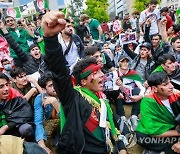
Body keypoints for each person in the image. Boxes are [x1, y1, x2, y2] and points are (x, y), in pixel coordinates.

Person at [42, 11, 127, 154]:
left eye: (101, 72)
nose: (102, 76)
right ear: (83, 81)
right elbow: (59, 72)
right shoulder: (73, 98)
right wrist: (50, 38)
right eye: (95, 73)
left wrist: (122, 148)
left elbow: (112, 131)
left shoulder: (102, 101)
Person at [135, 72, 180, 154]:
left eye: (170, 82)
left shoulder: (177, 94)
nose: (171, 86)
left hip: (173, 128)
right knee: (140, 138)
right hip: (160, 132)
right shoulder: (147, 101)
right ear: (154, 89)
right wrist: (178, 133)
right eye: (165, 84)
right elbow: (152, 132)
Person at [0, 72, 34, 141]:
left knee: (26, 129)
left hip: (15, 128)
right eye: (1, 87)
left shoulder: (13, 94)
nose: (6, 89)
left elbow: (26, 113)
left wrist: (6, 127)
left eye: (7, 85)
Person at [116, 56, 145, 131]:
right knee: (116, 93)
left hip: (132, 96)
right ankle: (122, 117)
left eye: (127, 62)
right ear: (118, 63)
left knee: (138, 90)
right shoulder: (115, 73)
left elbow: (142, 88)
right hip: (121, 97)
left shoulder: (133, 73)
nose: (125, 64)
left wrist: (140, 96)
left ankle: (134, 116)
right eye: (123, 62)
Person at [34, 73, 60, 154]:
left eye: (55, 83)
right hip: (49, 126)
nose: (54, 87)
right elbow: (38, 122)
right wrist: (42, 145)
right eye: (50, 85)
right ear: (44, 89)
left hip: (66, 125)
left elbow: (69, 118)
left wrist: (55, 102)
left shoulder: (64, 93)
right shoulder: (40, 99)